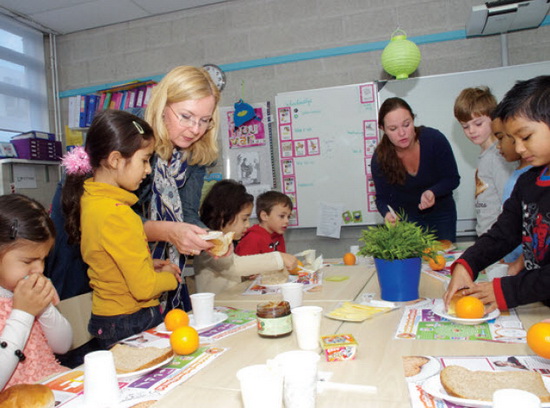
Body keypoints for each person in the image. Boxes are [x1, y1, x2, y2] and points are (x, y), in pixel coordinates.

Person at [46, 65, 220, 308]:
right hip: (79, 239)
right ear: (162, 106)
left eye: (205, 120)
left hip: (129, 249)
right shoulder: (132, 136)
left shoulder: (194, 153)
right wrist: (169, 231)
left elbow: (187, 213)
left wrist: (211, 238)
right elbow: (111, 218)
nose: (195, 129)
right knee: (78, 317)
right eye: (186, 116)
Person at [62, 110, 180, 349]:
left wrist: (146, 265)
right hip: (131, 319)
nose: (148, 170)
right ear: (115, 160)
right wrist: (171, 279)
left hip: (109, 318)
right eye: (145, 160)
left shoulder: (91, 199)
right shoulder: (118, 213)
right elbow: (144, 288)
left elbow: (108, 260)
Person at [443, 75, 550, 313]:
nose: (519, 148)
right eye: (513, 139)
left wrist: (505, 291)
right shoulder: (528, 182)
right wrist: (467, 263)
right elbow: (504, 233)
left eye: (526, 136)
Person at [0, 194, 72, 390]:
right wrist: (23, 313)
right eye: (28, 261)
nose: (39, 269)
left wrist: (44, 307)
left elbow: (63, 345)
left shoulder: (33, 288)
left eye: (43, 259)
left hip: (53, 386)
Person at [371, 97, 460, 241]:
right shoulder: (379, 159)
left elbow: (452, 179)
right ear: (383, 129)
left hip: (441, 213)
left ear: (413, 120)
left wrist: (433, 192)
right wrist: (387, 213)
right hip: (407, 219)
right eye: (393, 128)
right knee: (413, 259)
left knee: (442, 258)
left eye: (406, 124)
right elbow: (382, 198)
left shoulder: (434, 140)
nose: (402, 133)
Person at [193, 180, 297, 293]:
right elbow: (234, 266)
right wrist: (278, 258)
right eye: (244, 219)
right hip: (216, 307)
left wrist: (248, 275)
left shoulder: (227, 241)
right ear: (224, 214)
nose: (248, 225)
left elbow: (232, 273)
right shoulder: (209, 243)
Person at [453, 87, 514, 237]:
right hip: (487, 239)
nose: (471, 131)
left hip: (501, 241)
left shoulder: (499, 156)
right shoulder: (485, 156)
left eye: (478, 124)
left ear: (493, 119)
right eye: (465, 126)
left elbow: (510, 205)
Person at [492, 115, 532, 276]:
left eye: (501, 138)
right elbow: (510, 226)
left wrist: (519, 263)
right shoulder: (520, 177)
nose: (498, 146)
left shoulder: (532, 179)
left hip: (529, 272)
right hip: (514, 264)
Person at [235, 190, 294, 255]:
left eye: (288, 217)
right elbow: (244, 264)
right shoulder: (252, 239)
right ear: (264, 216)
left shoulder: (278, 235)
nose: (287, 221)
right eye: (282, 216)